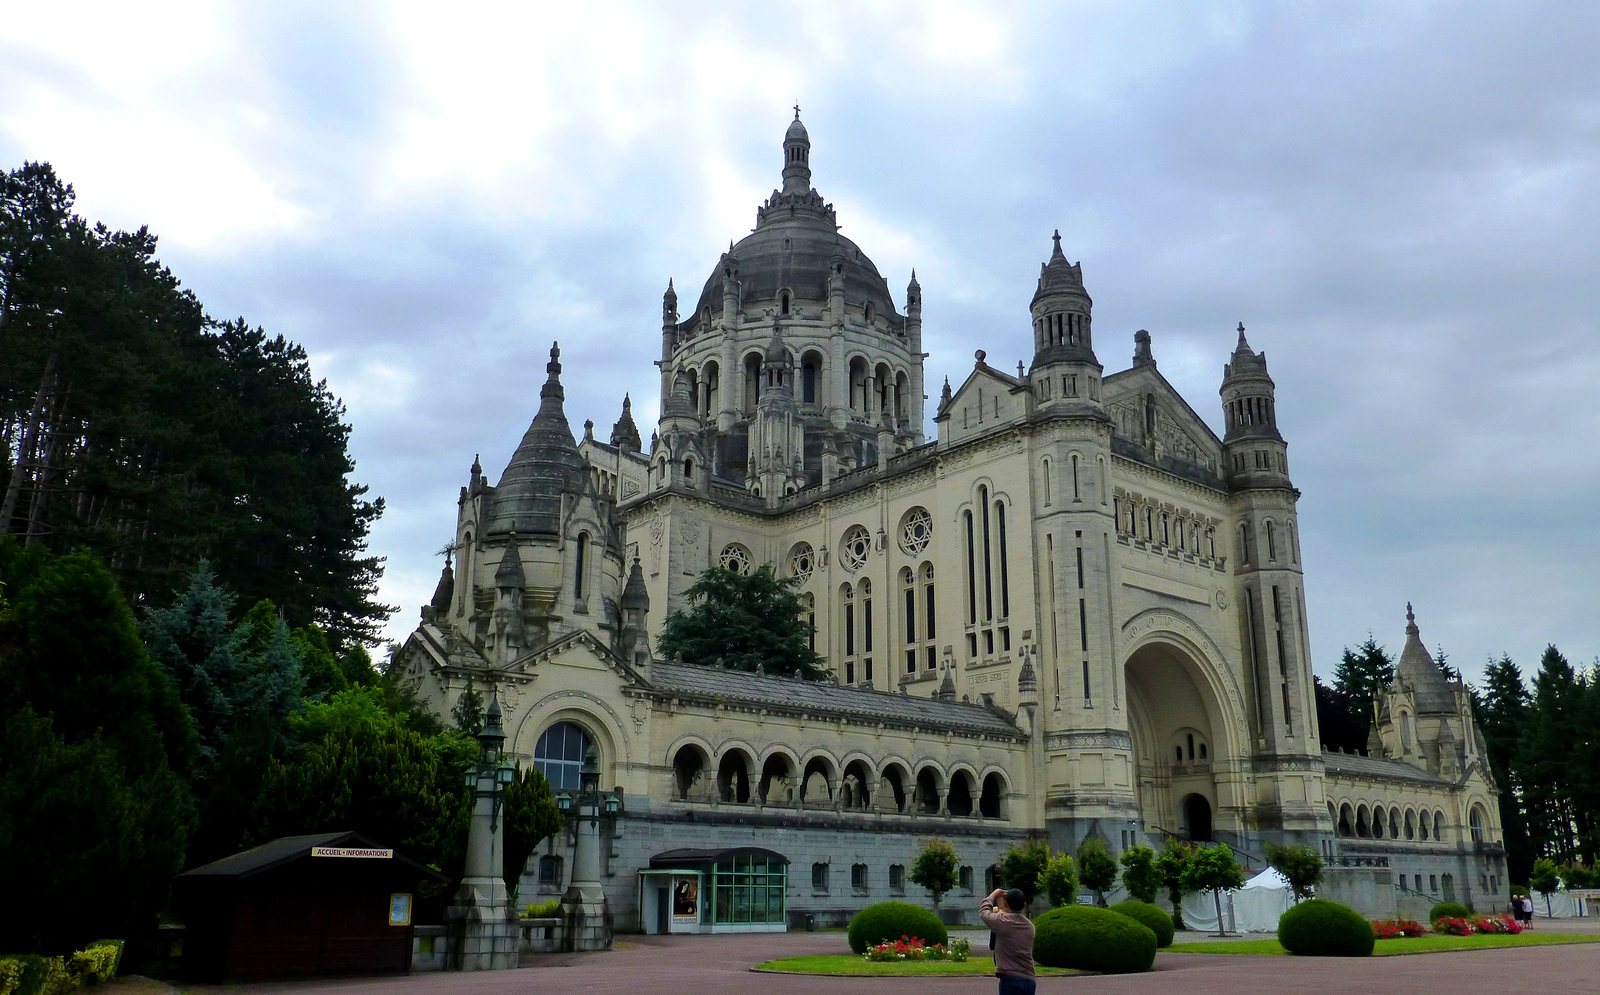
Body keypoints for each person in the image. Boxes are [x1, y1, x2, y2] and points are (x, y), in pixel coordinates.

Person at [979, 887, 1035, 995]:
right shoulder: (1030, 926)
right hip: (1029, 979)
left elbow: (983, 911)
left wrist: (993, 895)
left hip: (1010, 979)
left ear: (1005, 904)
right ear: (1024, 905)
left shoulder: (1002, 922)